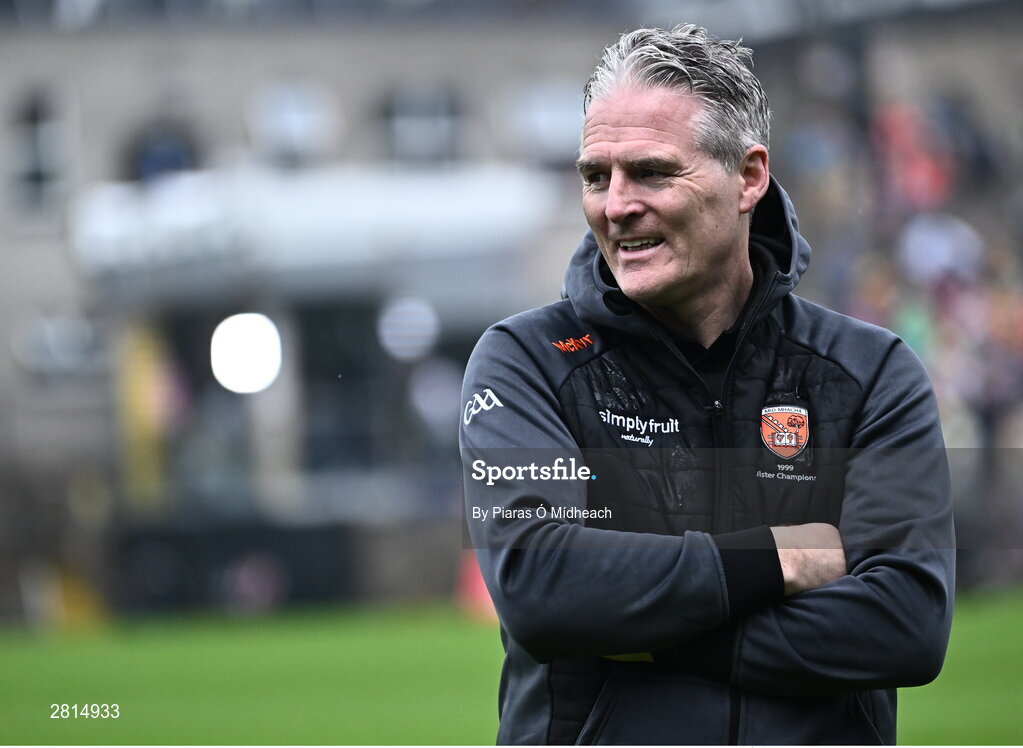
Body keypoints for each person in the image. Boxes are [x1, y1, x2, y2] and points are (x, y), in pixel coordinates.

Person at [460, 24, 954, 745]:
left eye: (652, 171)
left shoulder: (869, 372)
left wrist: (651, 634)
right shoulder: (527, 362)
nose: (616, 204)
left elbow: (904, 626)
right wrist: (777, 559)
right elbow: (541, 589)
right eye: (596, 176)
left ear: (748, 177)